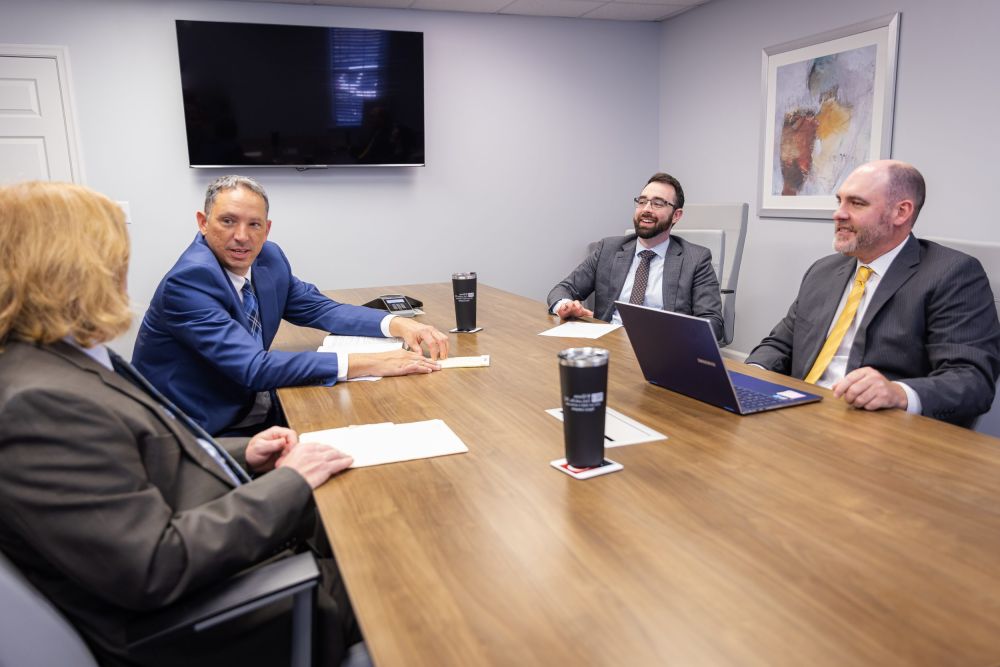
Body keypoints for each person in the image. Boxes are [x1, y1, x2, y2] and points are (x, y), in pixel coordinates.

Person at [0, 181, 366, 666]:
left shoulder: (63, 356)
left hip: (218, 556)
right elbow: (154, 565)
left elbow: (140, 452)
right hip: (204, 624)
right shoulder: (37, 402)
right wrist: (291, 481)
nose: (122, 269)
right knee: (390, 580)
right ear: (67, 266)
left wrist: (245, 451)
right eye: (112, 253)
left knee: (360, 536)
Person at [133, 175, 450, 436]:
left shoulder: (268, 259)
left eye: (254, 225)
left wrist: (398, 324)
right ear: (203, 222)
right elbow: (253, 368)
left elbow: (321, 309)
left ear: (267, 229)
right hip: (200, 430)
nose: (242, 236)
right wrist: (372, 362)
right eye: (228, 221)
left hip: (250, 404)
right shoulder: (190, 281)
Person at [746, 159, 1000, 426]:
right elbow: (780, 344)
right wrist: (752, 374)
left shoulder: (952, 274)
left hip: (875, 428)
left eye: (856, 203)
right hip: (797, 413)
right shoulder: (823, 271)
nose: (838, 214)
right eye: (839, 201)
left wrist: (898, 393)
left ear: (901, 212)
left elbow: (972, 381)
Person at [546, 172, 725, 341]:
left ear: (676, 215)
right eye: (642, 201)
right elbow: (563, 289)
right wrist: (566, 306)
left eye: (658, 203)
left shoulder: (696, 259)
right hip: (609, 344)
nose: (646, 209)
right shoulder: (608, 249)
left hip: (662, 349)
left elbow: (713, 323)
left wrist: (663, 331)